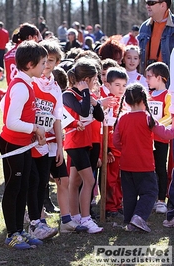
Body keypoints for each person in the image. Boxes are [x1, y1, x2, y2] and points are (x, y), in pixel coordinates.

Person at [28, 40, 81, 238]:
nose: (47, 65)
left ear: (57, 62)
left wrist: (60, 145)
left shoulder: (56, 87)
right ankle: (38, 221)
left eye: (51, 60)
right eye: (44, 60)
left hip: (52, 142)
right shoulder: (31, 82)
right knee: (40, 183)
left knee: (63, 179)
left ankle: (66, 219)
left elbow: (58, 118)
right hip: (35, 142)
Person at [0, 40, 46, 249]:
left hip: (24, 145)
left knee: (24, 186)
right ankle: (12, 234)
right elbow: (10, 121)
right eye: (43, 63)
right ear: (29, 64)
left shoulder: (27, 83)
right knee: (13, 188)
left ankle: (20, 230)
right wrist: (35, 129)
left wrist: (33, 131)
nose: (45, 66)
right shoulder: (20, 87)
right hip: (12, 145)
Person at [113, 83, 174, 232]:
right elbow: (167, 134)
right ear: (144, 100)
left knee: (129, 195)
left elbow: (116, 142)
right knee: (151, 192)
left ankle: (129, 221)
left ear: (126, 101)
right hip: (144, 165)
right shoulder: (147, 118)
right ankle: (139, 217)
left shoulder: (122, 118)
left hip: (126, 164)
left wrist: (126, 150)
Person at [62, 59, 104, 234]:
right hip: (75, 143)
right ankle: (86, 219)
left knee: (76, 181)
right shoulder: (69, 94)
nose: (96, 83)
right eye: (94, 79)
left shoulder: (89, 95)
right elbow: (84, 111)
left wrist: (94, 101)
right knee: (90, 180)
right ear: (86, 79)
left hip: (88, 142)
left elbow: (99, 116)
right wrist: (86, 93)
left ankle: (76, 216)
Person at [145, 62, 171, 214]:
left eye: (149, 76)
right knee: (149, 168)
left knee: (161, 168)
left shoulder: (168, 96)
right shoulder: (147, 94)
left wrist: (156, 125)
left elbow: (169, 116)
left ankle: (161, 200)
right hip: (146, 139)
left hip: (160, 139)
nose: (146, 79)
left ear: (159, 78)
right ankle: (151, 197)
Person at [103, 67, 128, 218]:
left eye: (124, 85)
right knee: (110, 179)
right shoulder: (108, 103)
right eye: (117, 85)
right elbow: (105, 128)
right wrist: (107, 149)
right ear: (108, 85)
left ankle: (118, 204)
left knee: (120, 178)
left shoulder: (125, 102)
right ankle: (110, 206)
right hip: (111, 148)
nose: (121, 89)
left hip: (123, 148)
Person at [138, 0, 174, 74]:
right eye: (146, 3)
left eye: (151, 3)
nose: (147, 6)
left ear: (163, 5)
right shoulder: (144, 27)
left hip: (169, 83)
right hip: (147, 81)